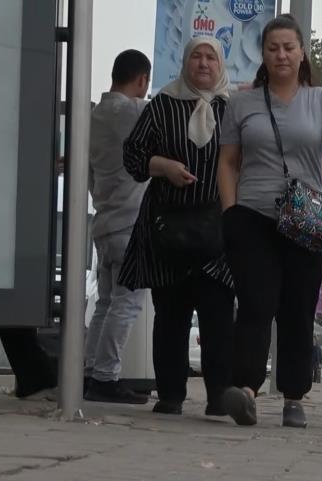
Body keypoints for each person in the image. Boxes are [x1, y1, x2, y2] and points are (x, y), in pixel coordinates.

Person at [217, 14, 322, 428]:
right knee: (256, 304)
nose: (281, 55)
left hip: (307, 222)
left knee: (296, 311)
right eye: (273, 48)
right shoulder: (242, 103)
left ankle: (294, 396)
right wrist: (230, 213)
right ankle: (246, 391)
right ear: (263, 54)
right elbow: (227, 161)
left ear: (301, 53)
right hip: (253, 217)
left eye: (288, 47)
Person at [119, 38, 234, 416]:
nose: (203, 63)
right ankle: (170, 394)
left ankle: (220, 396)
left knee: (218, 316)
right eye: (196, 56)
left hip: (218, 228)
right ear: (185, 62)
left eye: (210, 57)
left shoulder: (233, 108)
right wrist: (163, 166)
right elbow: (133, 156)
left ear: (221, 64)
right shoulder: (162, 105)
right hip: (168, 225)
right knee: (170, 315)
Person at [84, 50, 153, 404]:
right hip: (130, 223)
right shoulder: (138, 111)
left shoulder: (93, 116)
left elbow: (90, 175)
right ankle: (106, 376)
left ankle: (89, 372)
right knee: (127, 303)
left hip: (104, 222)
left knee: (106, 302)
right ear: (142, 80)